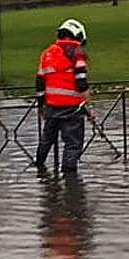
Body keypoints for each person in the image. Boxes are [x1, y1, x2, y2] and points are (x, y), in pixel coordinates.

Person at [34, 18, 89, 173]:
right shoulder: (77, 52)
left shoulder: (47, 54)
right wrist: (86, 97)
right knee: (72, 143)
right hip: (72, 108)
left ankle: (39, 166)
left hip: (51, 106)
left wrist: (41, 105)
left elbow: (40, 81)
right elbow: (81, 81)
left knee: (46, 139)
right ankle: (70, 180)